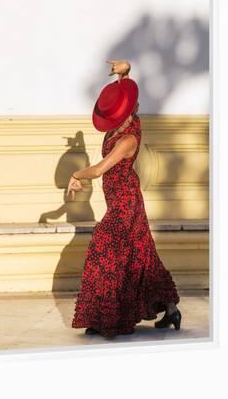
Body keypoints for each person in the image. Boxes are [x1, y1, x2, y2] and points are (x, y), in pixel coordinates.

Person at [68, 59, 181, 337]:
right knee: (141, 254)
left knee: (103, 247)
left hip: (125, 202)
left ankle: (107, 317)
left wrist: (76, 174)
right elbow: (123, 96)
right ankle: (171, 309)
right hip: (121, 198)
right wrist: (125, 72)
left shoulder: (127, 139)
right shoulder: (120, 126)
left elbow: (99, 169)